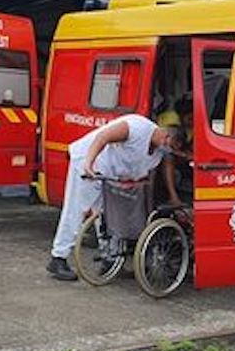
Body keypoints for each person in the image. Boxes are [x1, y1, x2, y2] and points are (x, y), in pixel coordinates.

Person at [46, 114, 174, 281]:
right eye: (168, 144)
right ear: (165, 135)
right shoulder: (136, 128)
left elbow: (143, 168)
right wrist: (88, 164)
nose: (166, 149)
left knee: (110, 215)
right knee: (77, 209)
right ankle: (58, 258)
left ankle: (111, 260)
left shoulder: (158, 151)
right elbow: (102, 137)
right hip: (90, 162)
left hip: (110, 174)